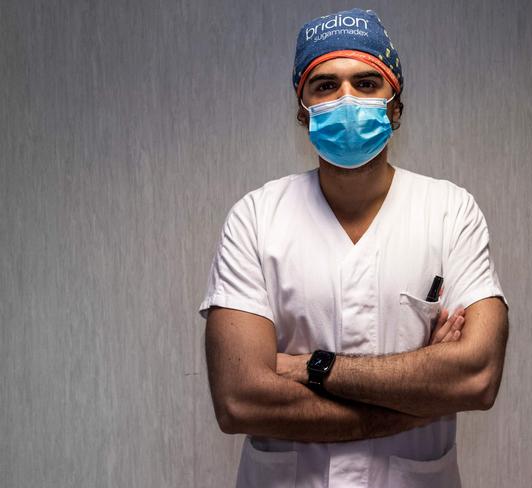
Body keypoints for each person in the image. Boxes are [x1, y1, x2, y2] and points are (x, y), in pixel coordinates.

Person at [199, 7, 509, 488]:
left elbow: (477, 375)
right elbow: (240, 398)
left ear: (396, 106)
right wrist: (415, 402)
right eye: (325, 86)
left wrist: (307, 368)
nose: (347, 99)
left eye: (366, 83)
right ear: (303, 111)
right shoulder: (255, 218)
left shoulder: (450, 212)